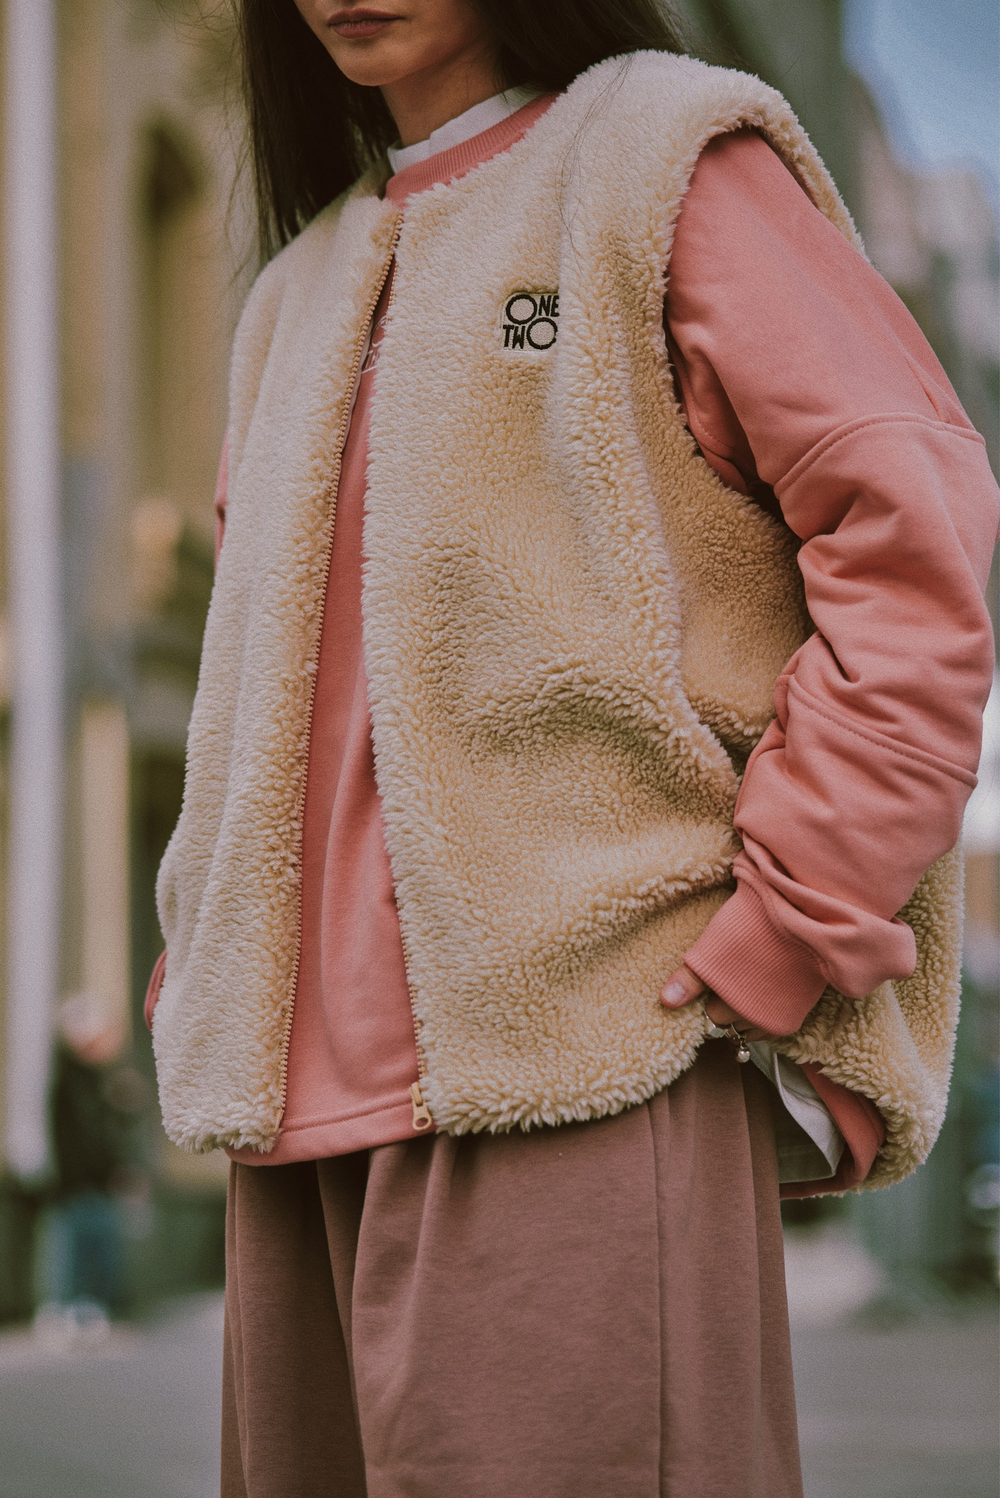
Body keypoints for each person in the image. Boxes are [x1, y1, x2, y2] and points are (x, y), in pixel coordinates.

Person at [145, 1, 1000, 1493]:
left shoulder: (666, 154)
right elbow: (258, 695)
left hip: (587, 1063)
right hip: (289, 1128)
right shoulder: (292, 291)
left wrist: (788, 924)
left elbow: (915, 547)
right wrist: (194, 973)